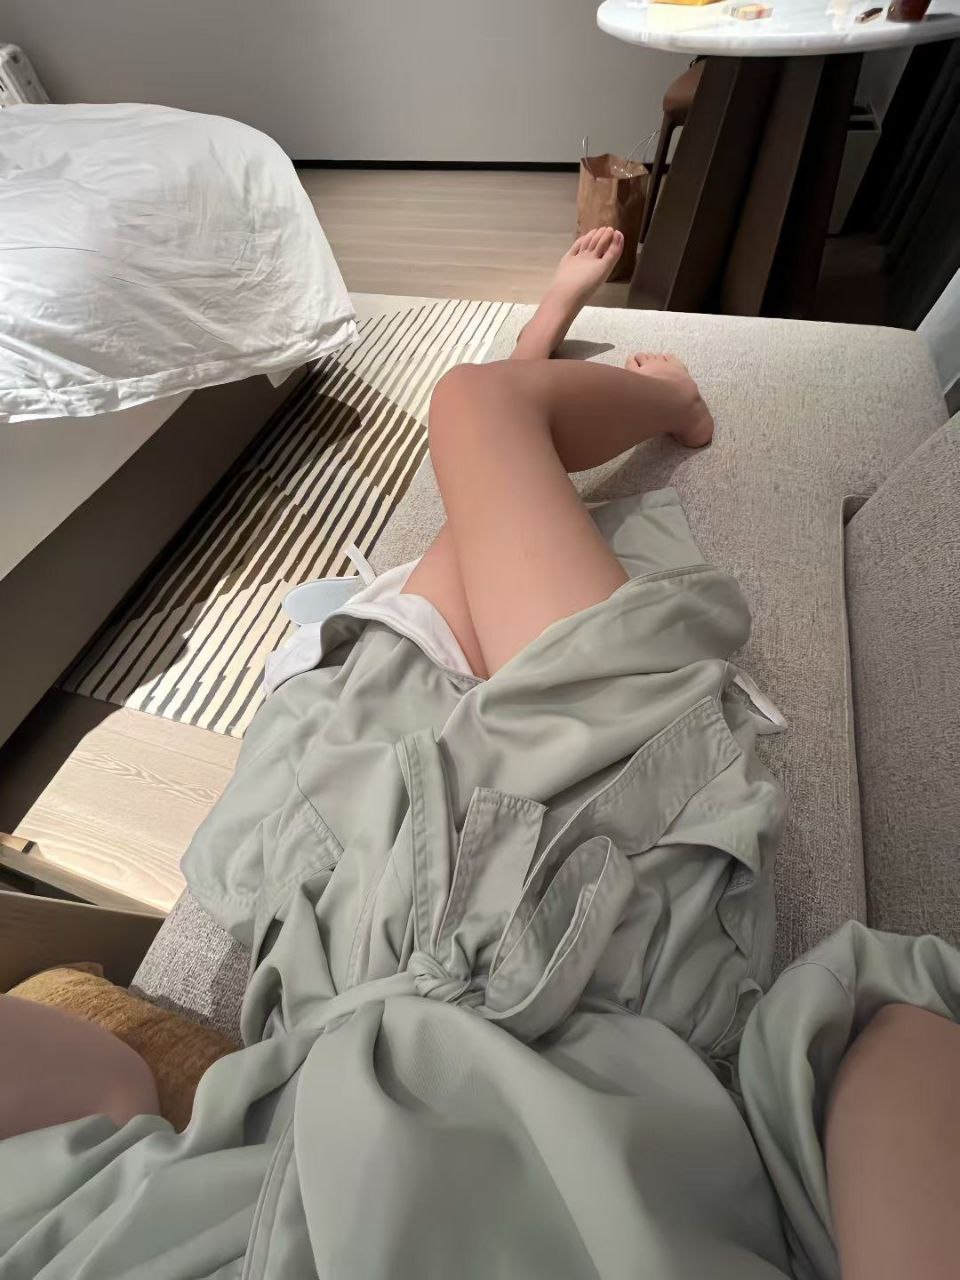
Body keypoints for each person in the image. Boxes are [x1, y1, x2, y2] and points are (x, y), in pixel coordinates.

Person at [2, 230, 959, 1280]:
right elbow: (899, 1024)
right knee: (476, 413)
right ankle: (648, 393)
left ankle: (541, 356)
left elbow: (108, 1085)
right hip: (592, 921)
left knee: (455, 533)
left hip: (348, 938)